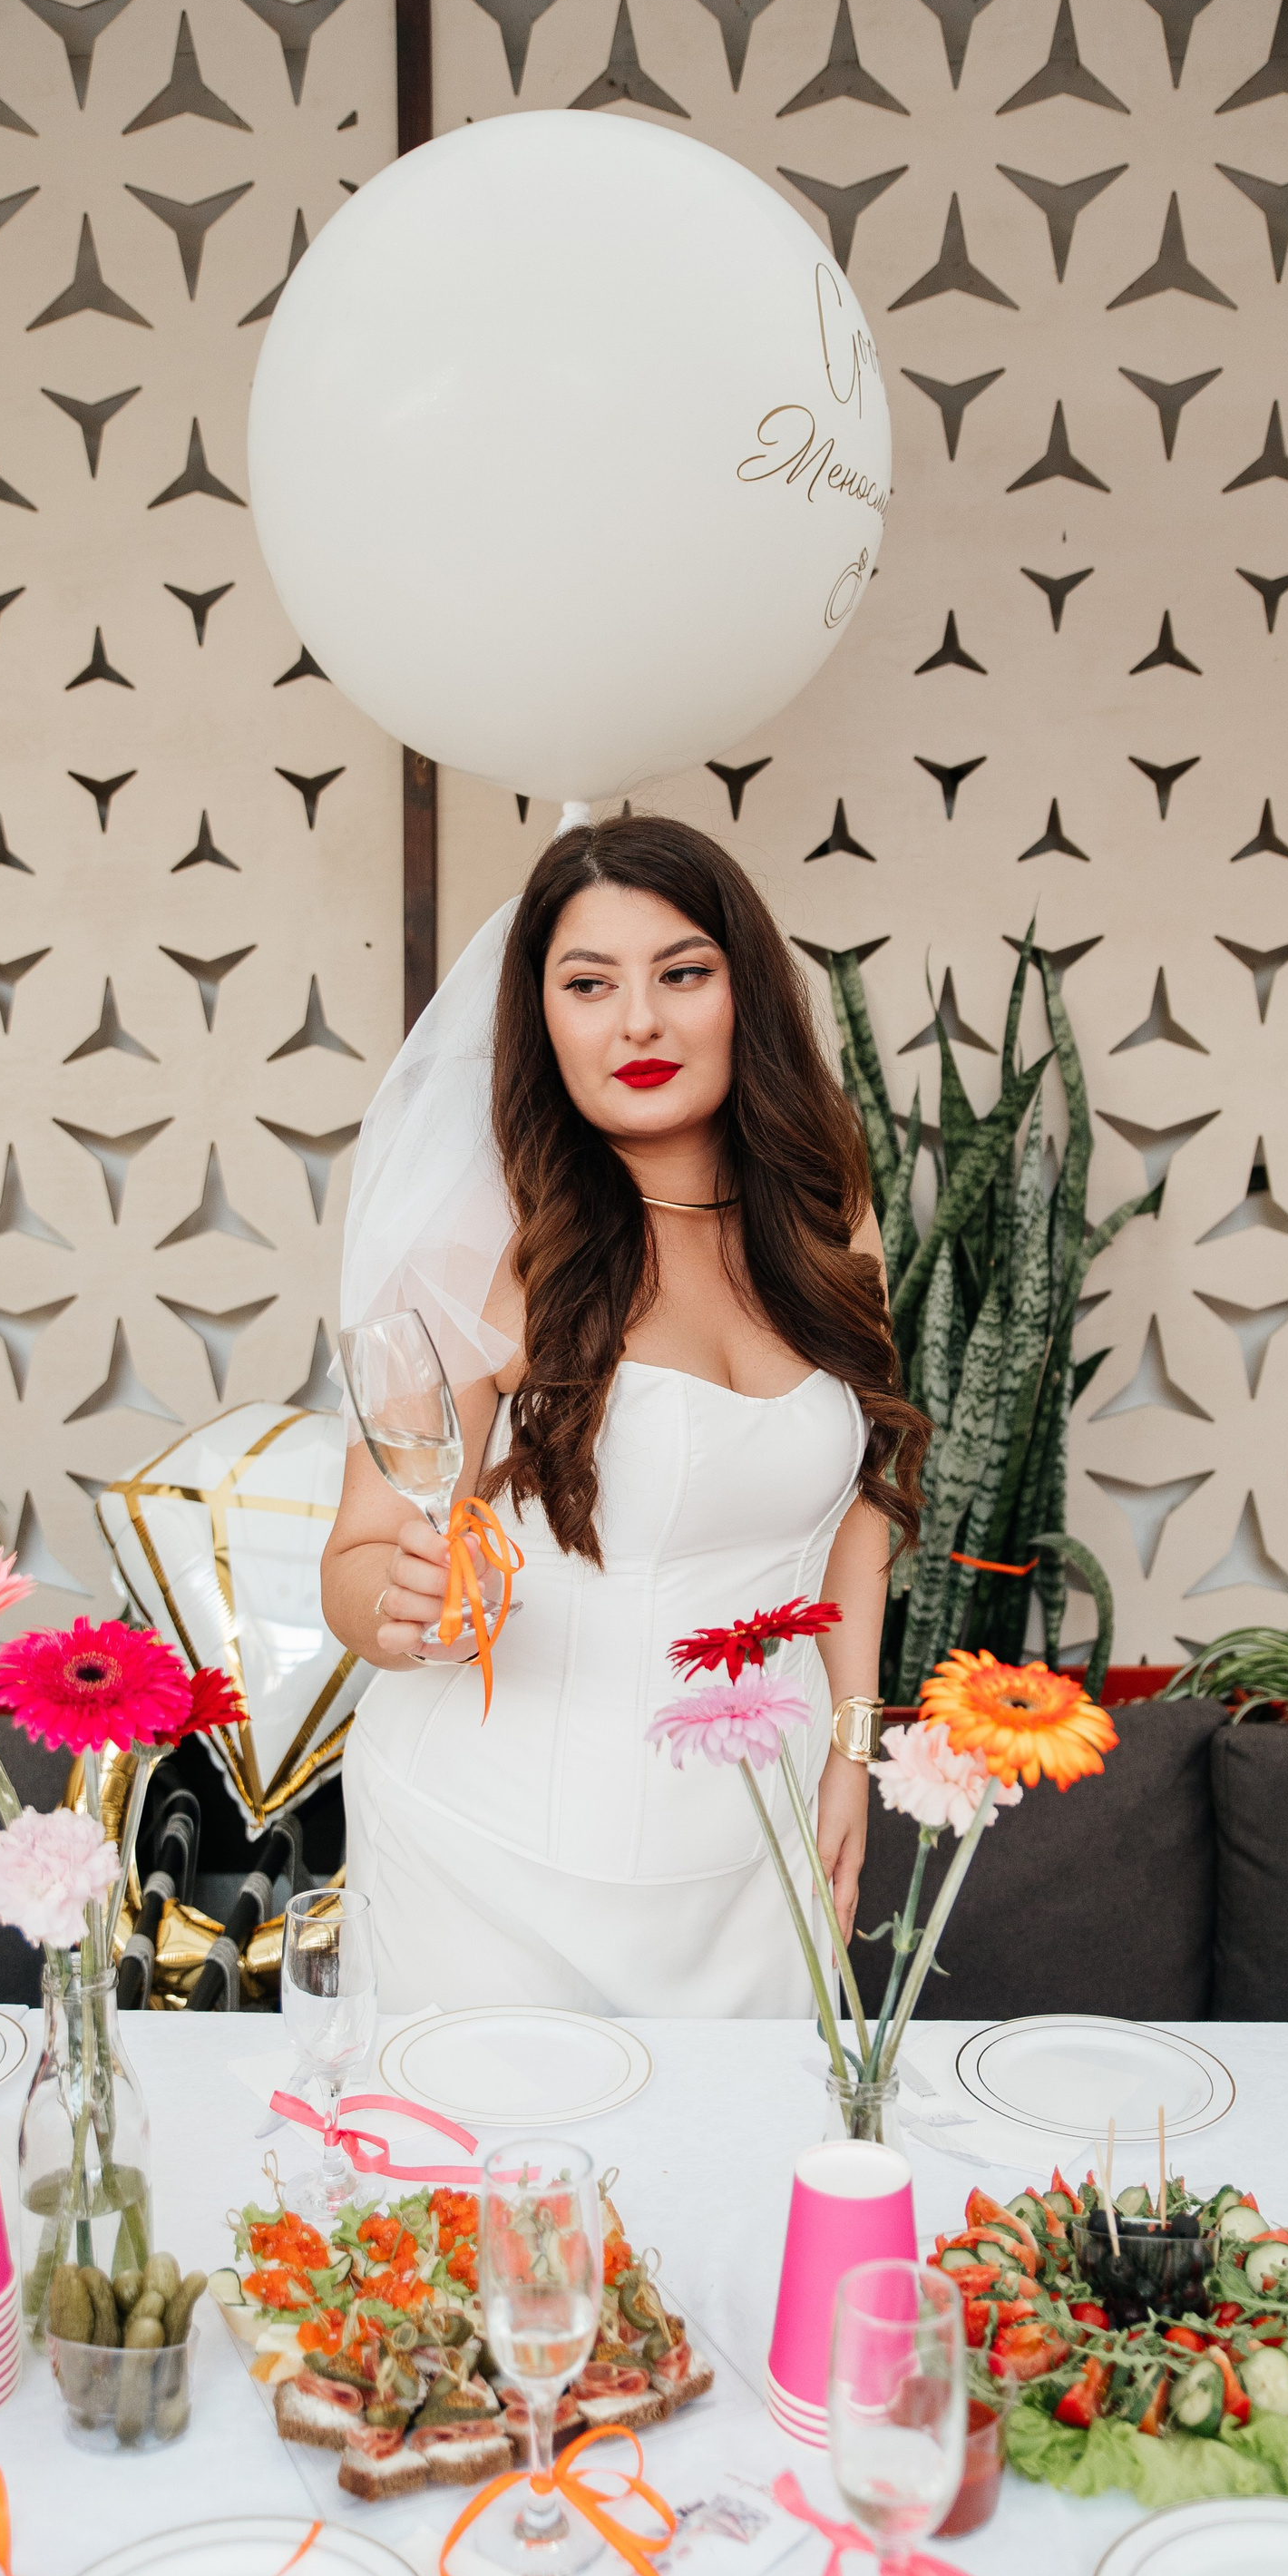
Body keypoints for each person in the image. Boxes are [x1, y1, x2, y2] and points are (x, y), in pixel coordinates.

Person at [323, 815, 929, 2014]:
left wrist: (851, 1746)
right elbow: (358, 1554)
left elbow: (867, 1497)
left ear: (745, 994)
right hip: (489, 1860)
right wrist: (402, 1607)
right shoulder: (479, 1248)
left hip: (760, 1843)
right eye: (589, 984)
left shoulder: (827, 1217)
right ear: (541, 1017)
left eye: (682, 974)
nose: (638, 1021)